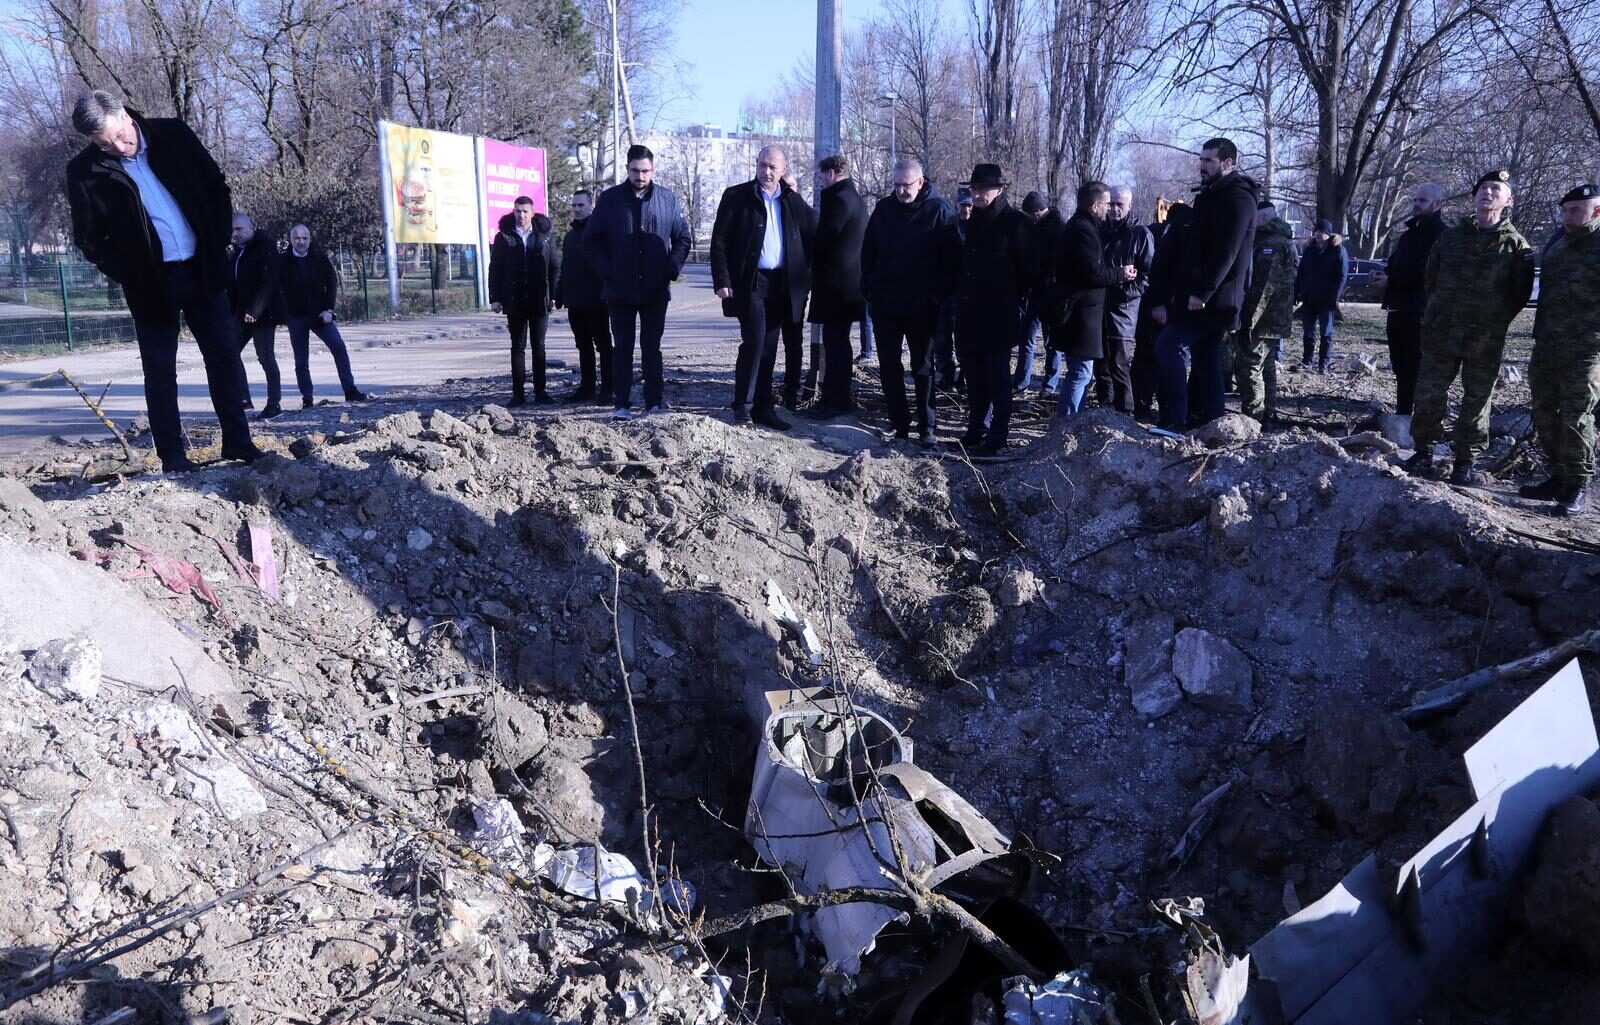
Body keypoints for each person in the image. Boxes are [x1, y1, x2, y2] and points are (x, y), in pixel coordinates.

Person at [64, 90, 260, 472]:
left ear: (123, 113)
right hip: (151, 284)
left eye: (119, 136)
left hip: (203, 269)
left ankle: (238, 442)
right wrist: (129, 273)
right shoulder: (84, 171)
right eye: (104, 144)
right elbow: (89, 237)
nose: (117, 147)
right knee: (159, 370)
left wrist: (218, 241)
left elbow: (216, 185)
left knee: (223, 357)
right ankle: (172, 455)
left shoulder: (172, 135)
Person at [1403, 169, 1535, 484]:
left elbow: (1519, 294)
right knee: (1429, 393)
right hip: (1441, 332)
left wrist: (1491, 320)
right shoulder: (1450, 237)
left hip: (1483, 339)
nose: (1487, 192)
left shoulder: (1517, 247)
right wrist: (1439, 312)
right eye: (1483, 188)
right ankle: (1423, 451)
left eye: (1496, 189)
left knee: (1476, 400)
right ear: (1474, 197)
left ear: (1508, 200)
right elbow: (1430, 280)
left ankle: (1465, 460)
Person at [1150, 138, 1257, 430]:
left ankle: (1174, 420)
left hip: (1214, 299)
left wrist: (1203, 292)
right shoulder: (1211, 195)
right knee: (1206, 357)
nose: (1202, 166)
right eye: (1201, 160)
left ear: (1228, 163)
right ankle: (1211, 421)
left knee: (1168, 346)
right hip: (1200, 296)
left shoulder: (1238, 198)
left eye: (1209, 161)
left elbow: (1228, 252)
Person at [709, 145, 817, 430]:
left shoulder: (792, 201)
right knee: (755, 342)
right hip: (751, 283)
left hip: (781, 285)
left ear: (784, 169)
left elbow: (815, 232)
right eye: (762, 165)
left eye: (772, 167)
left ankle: (763, 407)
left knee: (769, 347)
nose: (766, 172)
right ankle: (741, 407)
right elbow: (719, 242)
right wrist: (722, 281)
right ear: (756, 165)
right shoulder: (737, 196)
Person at [583, 144, 692, 419]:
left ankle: (654, 402)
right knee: (622, 348)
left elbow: (682, 238)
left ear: (653, 170)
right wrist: (607, 271)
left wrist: (672, 268)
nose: (640, 176)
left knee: (651, 348)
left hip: (655, 289)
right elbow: (591, 242)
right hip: (619, 290)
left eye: (645, 171)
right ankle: (621, 404)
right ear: (627, 169)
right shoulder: (610, 201)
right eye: (635, 170)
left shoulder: (668, 199)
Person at [861, 157, 956, 442]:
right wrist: (870, 289)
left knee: (923, 367)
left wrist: (937, 298)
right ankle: (899, 423)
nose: (901, 190)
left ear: (921, 183)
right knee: (889, 366)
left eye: (907, 185)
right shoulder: (883, 210)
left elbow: (951, 262)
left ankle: (927, 426)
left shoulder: (940, 211)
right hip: (886, 303)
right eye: (897, 185)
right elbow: (868, 253)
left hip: (922, 306)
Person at [1521, 183, 1600, 516]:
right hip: (1548, 344)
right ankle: (1558, 476)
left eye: (1576, 211)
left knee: (1576, 417)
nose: (1568, 217)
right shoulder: (1557, 243)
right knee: (1544, 412)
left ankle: (1578, 484)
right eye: (1565, 211)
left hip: (1586, 349)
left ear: (1596, 211)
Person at [944, 163, 1033, 455]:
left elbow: (1028, 272)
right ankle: (975, 429)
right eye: (974, 189)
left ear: (999, 190)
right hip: (969, 315)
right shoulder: (972, 223)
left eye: (982, 189)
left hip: (998, 315)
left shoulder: (1015, 223)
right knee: (974, 378)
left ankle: (998, 435)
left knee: (998, 379)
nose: (977, 194)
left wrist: (1011, 300)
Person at [1051, 181, 1137, 415]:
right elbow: (1092, 273)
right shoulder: (1082, 230)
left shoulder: (1082, 227)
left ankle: (1070, 421)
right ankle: (1066, 424)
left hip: (1081, 313)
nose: (1109, 209)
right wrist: (1122, 274)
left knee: (1082, 371)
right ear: (1094, 205)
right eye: (1107, 204)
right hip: (1079, 314)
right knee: (1081, 372)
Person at [1369, 184, 1447, 416]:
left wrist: (1391, 281)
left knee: (1416, 367)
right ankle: (1403, 414)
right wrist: (1382, 275)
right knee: (1401, 367)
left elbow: (1427, 273)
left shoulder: (1441, 235)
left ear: (1438, 204)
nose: (1416, 204)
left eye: (1422, 201)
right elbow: (1396, 265)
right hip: (1399, 309)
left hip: (1421, 311)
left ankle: (1420, 419)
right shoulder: (1407, 236)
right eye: (1415, 200)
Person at [278, 224, 368, 408]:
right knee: (301, 361)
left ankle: (350, 390)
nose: (301, 241)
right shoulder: (282, 262)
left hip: (321, 316)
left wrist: (329, 309)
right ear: (291, 240)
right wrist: (285, 314)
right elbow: (276, 290)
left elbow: (332, 283)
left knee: (338, 347)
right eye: (297, 238)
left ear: (310, 240)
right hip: (296, 318)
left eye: (305, 238)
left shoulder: (320, 258)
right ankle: (307, 399)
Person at [807, 154, 868, 418]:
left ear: (831, 173)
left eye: (820, 176)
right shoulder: (852, 198)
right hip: (846, 285)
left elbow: (824, 240)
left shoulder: (840, 201)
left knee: (836, 345)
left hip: (837, 287)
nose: (819, 181)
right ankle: (833, 399)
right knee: (837, 343)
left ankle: (835, 401)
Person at [488, 197, 560, 406]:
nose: (521, 215)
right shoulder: (504, 236)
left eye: (525, 211)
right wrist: (495, 298)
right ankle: (518, 394)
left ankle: (541, 392)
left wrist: (554, 295)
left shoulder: (545, 236)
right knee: (517, 347)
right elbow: (496, 269)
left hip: (539, 299)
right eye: (518, 211)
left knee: (539, 346)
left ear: (533, 212)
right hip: (514, 299)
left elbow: (554, 267)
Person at [1236, 201, 1296, 422]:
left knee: (1251, 366)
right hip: (1272, 318)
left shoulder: (1271, 244)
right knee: (1266, 366)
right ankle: (1268, 415)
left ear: (1261, 218)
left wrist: (1249, 320)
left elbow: (1264, 287)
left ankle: (1254, 418)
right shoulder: (1276, 240)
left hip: (1264, 318)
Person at [1098, 185, 1154, 412]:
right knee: (1100, 365)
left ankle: (1124, 414)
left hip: (1124, 311)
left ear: (1129, 206)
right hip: (1099, 308)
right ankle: (1104, 410)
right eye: (1110, 204)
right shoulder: (1101, 230)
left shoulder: (1141, 234)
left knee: (1119, 365)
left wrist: (1122, 293)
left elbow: (1148, 275)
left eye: (1119, 204)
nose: (1113, 209)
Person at [1135, 201, 1192, 421]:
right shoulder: (1178, 237)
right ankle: (1167, 412)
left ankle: (1143, 408)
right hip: (1169, 309)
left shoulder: (1153, 233)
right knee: (1170, 360)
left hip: (1152, 308)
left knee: (1147, 360)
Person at [555, 189, 612, 403]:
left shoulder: (601, 234)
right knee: (583, 345)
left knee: (604, 346)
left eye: (581, 205)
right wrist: (559, 293)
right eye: (574, 205)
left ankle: (608, 388)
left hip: (598, 301)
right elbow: (566, 267)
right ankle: (587, 387)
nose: (577, 209)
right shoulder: (570, 236)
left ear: (592, 207)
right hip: (575, 302)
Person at [228, 212, 284, 420]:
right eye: (233, 230)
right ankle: (244, 400)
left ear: (251, 228)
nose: (236, 234)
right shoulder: (237, 254)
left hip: (263, 314)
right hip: (241, 314)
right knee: (230, 351)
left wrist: (255, 310)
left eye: (239, 229)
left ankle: (274, 404)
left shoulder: (265, 249)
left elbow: (268, 283)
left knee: (266, 357)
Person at [1013, 191, 1066, 394]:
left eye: (1030, 214)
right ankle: (1021, 382)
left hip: (1050, 294)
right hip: (1033, 292)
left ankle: (1049, 385)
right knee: (1026, 338)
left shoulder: (1058, 229)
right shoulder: (1033, 228)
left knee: (1051, 342)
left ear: (1038, 211)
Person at [1294, 218, 1350, 372]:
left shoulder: (1338, 250)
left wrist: (1335, 297)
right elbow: (1301, 273)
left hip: (1327, 299)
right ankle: (1307, 361)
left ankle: (1323, 364)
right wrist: (1296, 292)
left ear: (1329, 234)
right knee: (1308, 332)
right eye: (1317, 231)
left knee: (1326, 333)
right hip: (1309, 297)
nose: (1319, 234)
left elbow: (1342, 276)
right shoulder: (1309, 249)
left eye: (1323, 232)